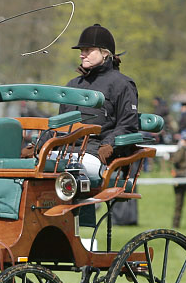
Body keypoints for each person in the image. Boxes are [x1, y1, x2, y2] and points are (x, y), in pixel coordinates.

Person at [52, 24, 139, 178]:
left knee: (69, 170)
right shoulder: (73, 85)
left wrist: (108, 145)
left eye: (88, 50)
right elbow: (60, 125)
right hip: (65, 151)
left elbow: (128, 125)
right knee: (33, 166)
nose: (82, 55)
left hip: (97, 153)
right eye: (81, 51)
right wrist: (38, 144)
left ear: (105, 53)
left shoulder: (122, 84)